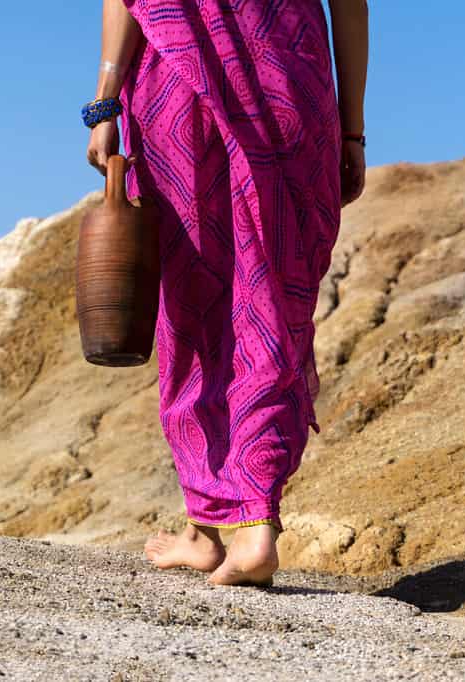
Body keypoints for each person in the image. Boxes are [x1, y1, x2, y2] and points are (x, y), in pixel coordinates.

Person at [85, 0, 368, 586]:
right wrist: (352, 128)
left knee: (194, 303)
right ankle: (228, 526)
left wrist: (106, 102)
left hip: (180, 82)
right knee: (271, 302)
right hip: (293, 87)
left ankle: (237, 525)